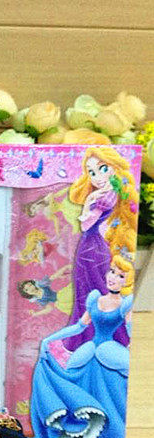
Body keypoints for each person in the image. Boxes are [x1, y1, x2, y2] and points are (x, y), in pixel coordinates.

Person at [29, 255, 133, 438]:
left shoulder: (126, 304)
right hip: (88, 354)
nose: (113, 278)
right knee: (75, 398)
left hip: (109, 357)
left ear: (127, 281)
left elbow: (130, 330)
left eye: (120, 275)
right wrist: (49, 339)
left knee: (111, 405)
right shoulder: (95, 298)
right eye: (112, 272)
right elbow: (79, 326)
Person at [64, 147, 138, 350]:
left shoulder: (104, 197)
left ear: (114, 167)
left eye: (102, 169)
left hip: (92, 247)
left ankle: (96, 338)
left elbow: (86, 225)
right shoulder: (108, 194)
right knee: (91, 290)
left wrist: (89, 200)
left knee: (90, 290)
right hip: (94, 246)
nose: (96, 177)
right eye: (91, 172)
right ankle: (100, 338)